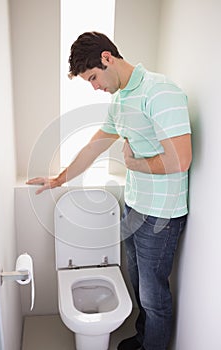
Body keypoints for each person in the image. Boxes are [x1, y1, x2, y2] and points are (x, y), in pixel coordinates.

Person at [27, 32, 192, 350]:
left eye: (92, 78)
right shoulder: (121, 100)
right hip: (134, 207)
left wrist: (134, 163)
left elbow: (181, 160)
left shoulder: (160, 91)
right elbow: (95, 147)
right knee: (137, 284)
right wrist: (59, 179)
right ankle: (144, 338)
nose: (95, 87)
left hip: (161, 214)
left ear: (107, 58)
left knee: (153, 296)